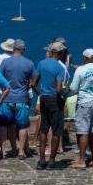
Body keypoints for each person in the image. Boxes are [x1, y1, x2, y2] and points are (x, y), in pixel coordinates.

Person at [31, 42, 67, 170]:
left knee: (44, 129)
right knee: (56, 130)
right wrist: (64, 91)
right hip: (55, 100)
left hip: (44, 99)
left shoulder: (41, 63)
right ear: (61, 53)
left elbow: (33, 83)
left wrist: (41, 94)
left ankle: (41, 160)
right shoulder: (60, 68)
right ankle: (51, 161)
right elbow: (58, 89)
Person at [0, 39, 35, 159]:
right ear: (23, 49)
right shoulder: (29, 63)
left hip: (7, 98)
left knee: (4, 125)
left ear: (13, 48)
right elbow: (32, 82)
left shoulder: (5, 62)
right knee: (23, 126)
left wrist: (4, 89)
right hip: (22, 98)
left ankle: (4, 151)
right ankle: (21, 151)